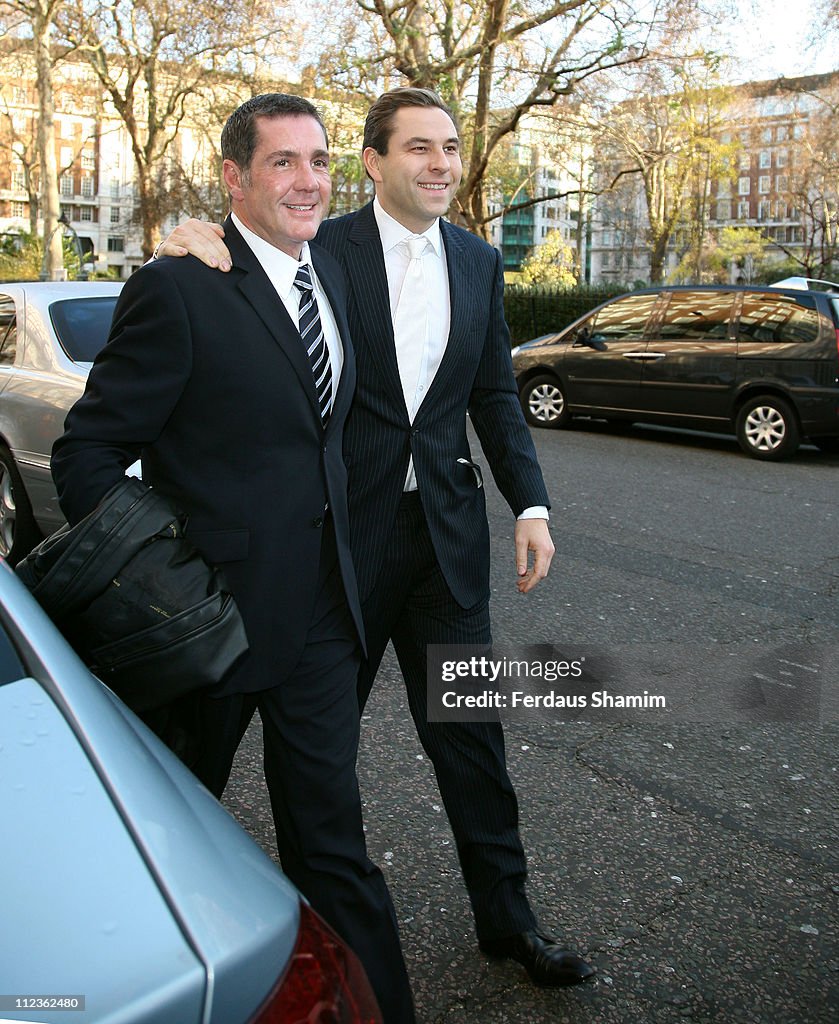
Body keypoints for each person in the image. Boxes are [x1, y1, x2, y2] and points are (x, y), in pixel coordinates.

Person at [156, 87, 596, 988]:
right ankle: (205, 918)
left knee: (470, 737)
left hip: (442, 542)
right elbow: (251, 275)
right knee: (290, 754)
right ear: (373, 162)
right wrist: (185, 235)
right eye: (419, 148)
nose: (440, 164)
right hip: (336, 551)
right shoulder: (322, 244)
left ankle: (508, 922)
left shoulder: (477, 262)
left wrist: (533, 506)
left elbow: (493, 397)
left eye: (450, 148)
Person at [51, 93, 415, 1024]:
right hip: (206, 628)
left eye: (320, 161)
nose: (308, 181)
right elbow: (86, 452)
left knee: (334, 848)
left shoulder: (331, 267)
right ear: (234, 178)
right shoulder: (181, 284)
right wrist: (164, 578)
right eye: (283, 162)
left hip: (323, 622)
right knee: (166, 844)